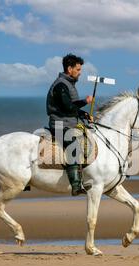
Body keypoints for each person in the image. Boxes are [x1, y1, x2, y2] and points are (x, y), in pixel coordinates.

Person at [46, 53, 93, 196]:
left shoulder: (68, 84)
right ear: (69, 69)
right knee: (74, 146)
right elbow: (68, 107)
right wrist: (85, 102)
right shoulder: (60, 85)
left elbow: (71, 109)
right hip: (59, 124)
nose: (80, 73)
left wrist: (84, 114)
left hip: (68, 122)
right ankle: (76, 185)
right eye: (78, 70)